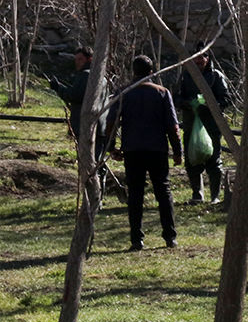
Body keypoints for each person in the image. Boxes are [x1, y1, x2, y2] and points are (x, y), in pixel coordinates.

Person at [108, 56, 183, 252]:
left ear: (133, 71)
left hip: (133, 149)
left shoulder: (123, 93)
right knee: (163, 192)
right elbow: (173, 127)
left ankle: (136, 239)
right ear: (152, 72)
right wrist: (177, 152)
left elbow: (111, 122)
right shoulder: (162, 93)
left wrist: (111, 147)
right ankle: (170, 236)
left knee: (135, 194)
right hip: (157, 149)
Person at [176, 45, 230, 204]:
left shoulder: (216, 76)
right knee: (192, 160)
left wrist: (210, 105)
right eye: (196, 57)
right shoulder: (185, 76)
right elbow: (176, 98)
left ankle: (215, 196)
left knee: (214, 160)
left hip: (211, 125)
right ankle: (197, 194)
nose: (199, 60)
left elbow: (225, 99)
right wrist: (187, 104)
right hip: (191, 124)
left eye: (202, 56)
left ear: (208, 59)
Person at [49, 45, 109, 188]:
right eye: (76, 59)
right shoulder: (102, 77)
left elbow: (75, 96)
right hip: (101, 125)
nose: (77, 62)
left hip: (88, 126)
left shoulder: (86, 75)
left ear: (89, 59)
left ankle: (94, 191)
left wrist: (58, 88)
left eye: (80, 59)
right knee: (98, 159)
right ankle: (99, 190)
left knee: (90, 161)